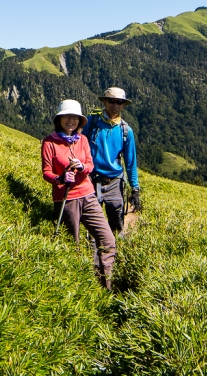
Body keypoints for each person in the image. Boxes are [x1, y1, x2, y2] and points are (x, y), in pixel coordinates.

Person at [41, 99, 116, 289]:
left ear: (79, 121)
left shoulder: (82, 140)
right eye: (67, 116)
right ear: (59, 119)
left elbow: (90, 164)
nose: (71, 120)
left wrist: (82, 167)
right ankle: (77, 289)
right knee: (72, 245)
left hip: (88, 195)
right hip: (66, 199)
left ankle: (105, 286)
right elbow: (46, 172)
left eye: (74, 117)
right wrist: (59, 178)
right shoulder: (49, 142)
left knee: (107, 240)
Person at [84, 87, 141, 236]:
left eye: (119, 102)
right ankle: (93, 248)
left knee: (116, 219)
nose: (115, 105)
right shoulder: (91, 122)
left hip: (114, 180)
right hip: (91, 178)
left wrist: (135, 188)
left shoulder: (126, 131)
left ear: (123, 105)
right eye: (111, 101)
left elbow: (130, 162)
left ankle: (115, 246)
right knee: (92, 220)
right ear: (105, 102)